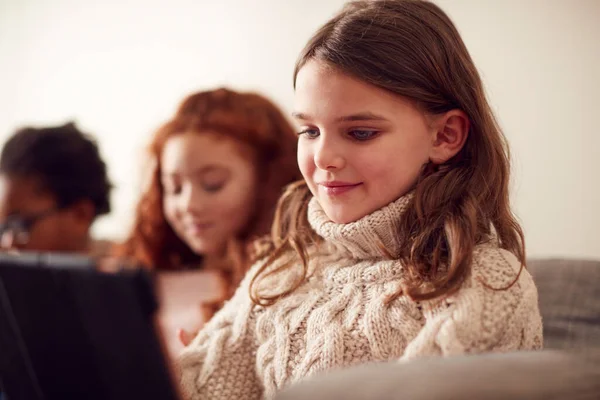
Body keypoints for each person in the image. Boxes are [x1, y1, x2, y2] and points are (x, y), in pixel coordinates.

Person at [177, 1, 544, 399]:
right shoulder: (284, 269)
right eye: (310, 131)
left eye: (360, 133)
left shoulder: (484, 281)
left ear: (444, 136)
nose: (323, 158)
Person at [116, 88, 300, 354]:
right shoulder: (144, 278)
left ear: (267, 183)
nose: (188, 205)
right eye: (175, 187)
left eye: (213, 185)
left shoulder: (281, 288)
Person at [0, 122, 112, 256]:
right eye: (3, 228)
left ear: (81, 214)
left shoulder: (130, 271)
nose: (7, 244)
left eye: (20, 226)